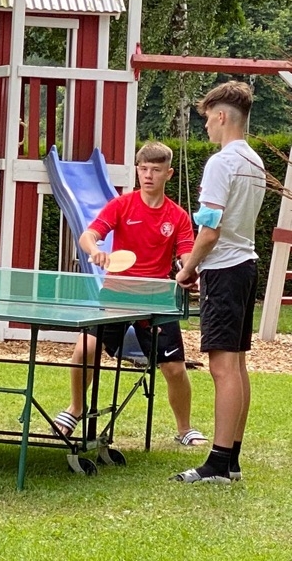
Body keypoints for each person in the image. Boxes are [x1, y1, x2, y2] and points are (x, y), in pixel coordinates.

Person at [51, 142, 201, 446]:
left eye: (156, 170)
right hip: (116, 294)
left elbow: (187, 253)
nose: (148, 175)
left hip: (156, 297)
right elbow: (88, 235)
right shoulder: (122, 205)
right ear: (137, 171)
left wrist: (188, 271)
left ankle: (185, 429)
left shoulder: (178, 216)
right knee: (84, 350)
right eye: (143, 169)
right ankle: (75, 409)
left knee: (174, 369)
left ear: (168, 173)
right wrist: (94, 250)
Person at [171, 81, 265, 484]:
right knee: (237, 365)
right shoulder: (255, 161)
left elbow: (209, 230)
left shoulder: (221, 162)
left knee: (222, 368)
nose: (206, 126)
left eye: (208, 118)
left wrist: (187, 268)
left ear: (222, 116)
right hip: (246, 266)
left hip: (224, 271)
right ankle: (232, 459)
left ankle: (218, 463)